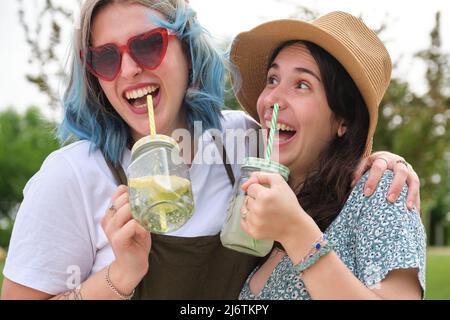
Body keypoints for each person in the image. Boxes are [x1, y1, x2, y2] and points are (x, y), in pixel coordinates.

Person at [1, 1, 419, 300]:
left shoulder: (243, 143)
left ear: (186, 50)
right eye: (105, 58)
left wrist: (382, 160)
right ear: (94, 76)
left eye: (148, 44)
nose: (129, 69)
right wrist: (119, 277)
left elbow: (318, 147)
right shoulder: (71, 175)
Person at [229, 11, 426, 300]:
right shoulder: (262, 202)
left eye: (302, 84)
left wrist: (297, 232)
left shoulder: (380, 192)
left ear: (342, 120)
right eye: (272, 79)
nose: (271, 99)